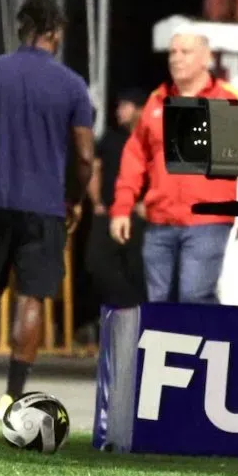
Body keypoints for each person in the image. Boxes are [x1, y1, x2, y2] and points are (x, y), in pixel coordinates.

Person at [0, 0, 95, 418]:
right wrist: (75, 197)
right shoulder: (72, 86)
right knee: (32, 297)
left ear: (22, 29)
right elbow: (85, 156)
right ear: (55, 32)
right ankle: (12, 396)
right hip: (45, 206)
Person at [110, 33, 238, 304]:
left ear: (207, 58)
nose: (176, 58)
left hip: (208, 221)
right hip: (160, 221)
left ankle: (211, 344)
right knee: (159, 303)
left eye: (185, 52)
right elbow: (135, 156)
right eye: (172, 52)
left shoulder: (230, 100)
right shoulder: (157, 101)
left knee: (195, 296)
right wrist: (122, 207)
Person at [85, 90, 148, 313]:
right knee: (97, 264)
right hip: (109, 213)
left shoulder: (152, 138)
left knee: (137, 269)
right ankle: (122, 311)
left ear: (140, 109)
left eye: (125, 105)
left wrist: (148, 204)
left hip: (139, 217)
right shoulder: (111, 138)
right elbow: (94, 166)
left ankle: (137, 317)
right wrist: (97, 203)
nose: (119, 111)